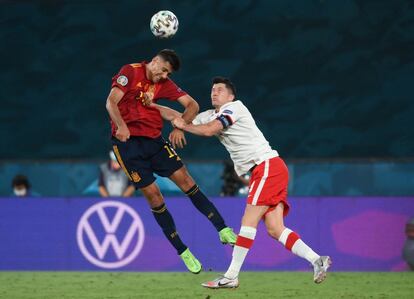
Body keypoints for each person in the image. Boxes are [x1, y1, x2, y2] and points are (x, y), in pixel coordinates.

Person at [155, 76, 331, 288]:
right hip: (268, 169)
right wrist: (151, 105)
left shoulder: (234, 108)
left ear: (231, 95)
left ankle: (231, 276)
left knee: (248, 223)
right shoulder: (211, 114)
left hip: (266, 167)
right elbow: (177, 116)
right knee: (275, 229)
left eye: (219, 89)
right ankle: (317, 260)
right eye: (212, 89)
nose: (214, 92)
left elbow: (210, 130)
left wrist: (182, 125)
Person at [105, 49, 237, 274]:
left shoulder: (164, 84)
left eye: (169, 73)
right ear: (155, 62)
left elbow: (192, 106)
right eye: (164, 70)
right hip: (127, 146)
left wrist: (179, 126)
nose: (165, 75)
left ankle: (222, 228)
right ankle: (183, 251)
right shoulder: (131, 72)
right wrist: (122, 126)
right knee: (154, 196)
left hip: (155, 142)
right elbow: (111, 103)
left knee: (186, 180)